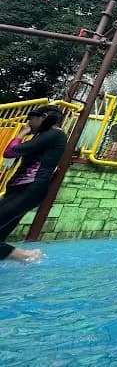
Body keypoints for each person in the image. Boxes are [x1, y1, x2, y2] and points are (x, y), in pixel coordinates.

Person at [0, 106, 67, 262]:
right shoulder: (44, 136)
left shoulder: (55, 134)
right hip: (20, 190)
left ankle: (27, 256)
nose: (28, 121)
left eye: (31, 117)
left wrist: (22, 133)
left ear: (43, 117)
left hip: (29, 190)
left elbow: (10, 152)